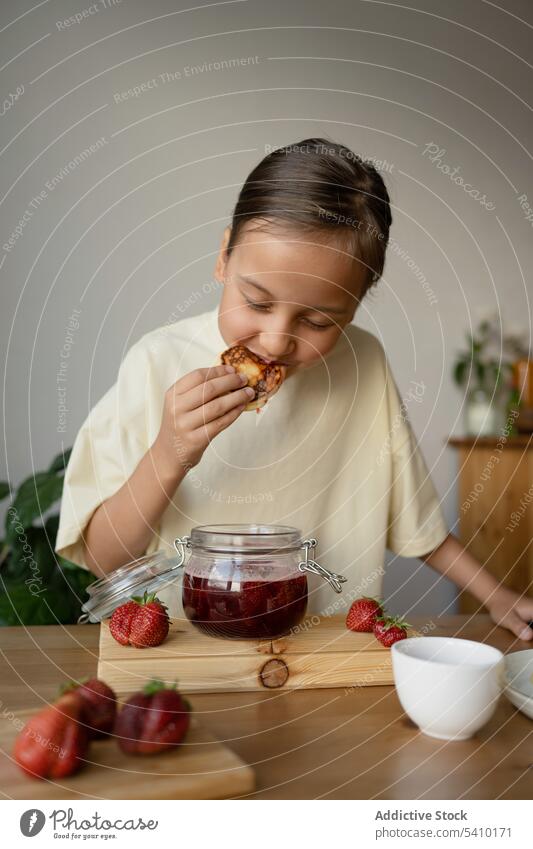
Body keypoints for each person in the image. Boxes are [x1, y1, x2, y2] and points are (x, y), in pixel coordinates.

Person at [55, 137, 533, 638]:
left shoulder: (364, 362)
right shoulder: (154, 364)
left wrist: (497, 597)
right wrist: (169, 453)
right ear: (223, 258)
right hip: (188, 648)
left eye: (319, 321)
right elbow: (103, 558)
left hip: (324, 653)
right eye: (257, 303)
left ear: (357, 305)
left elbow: (416, 521)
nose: (277, 340)